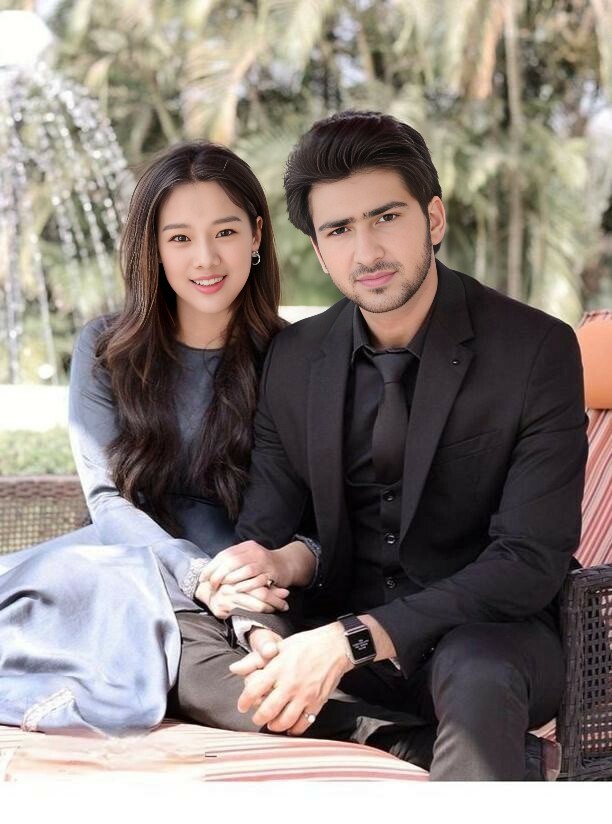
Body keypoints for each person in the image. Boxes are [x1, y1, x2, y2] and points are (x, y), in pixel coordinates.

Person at [0, 139, 425, 756]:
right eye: (179, 238)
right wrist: (198, 577)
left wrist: (260, 583)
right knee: (184, 658)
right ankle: (391, 737)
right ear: (153, 248)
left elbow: (327, 521)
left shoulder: (301, 357)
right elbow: (108, 501)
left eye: (224, 232)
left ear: (256, 235)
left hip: (257, 582)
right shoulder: (105, 349)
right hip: (130, 569)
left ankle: (405, 734)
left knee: (237, 664)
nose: (205, 258)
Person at [200, 111, 588, 780]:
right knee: (194, 651)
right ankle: (395, 740)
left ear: (433, 218)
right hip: (338, 627)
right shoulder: (295, 356)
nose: (367, 252)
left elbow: (528, 562)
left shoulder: (535, 349)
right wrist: (261, 600)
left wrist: (352, 641)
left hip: (490, 634)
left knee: (479, 674)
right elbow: (268, 529)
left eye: (386, 218)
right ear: (319, 249)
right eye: (339, 230)